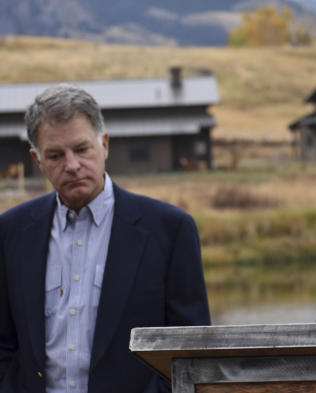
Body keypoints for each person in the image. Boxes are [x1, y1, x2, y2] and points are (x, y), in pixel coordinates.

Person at [0, 85, 210, 393]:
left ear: (105, 144)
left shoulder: (170, 230)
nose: (71, 166)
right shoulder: (10, 232)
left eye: (82, 149)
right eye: (56, 155)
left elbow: (191, 351)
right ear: (37, 159)